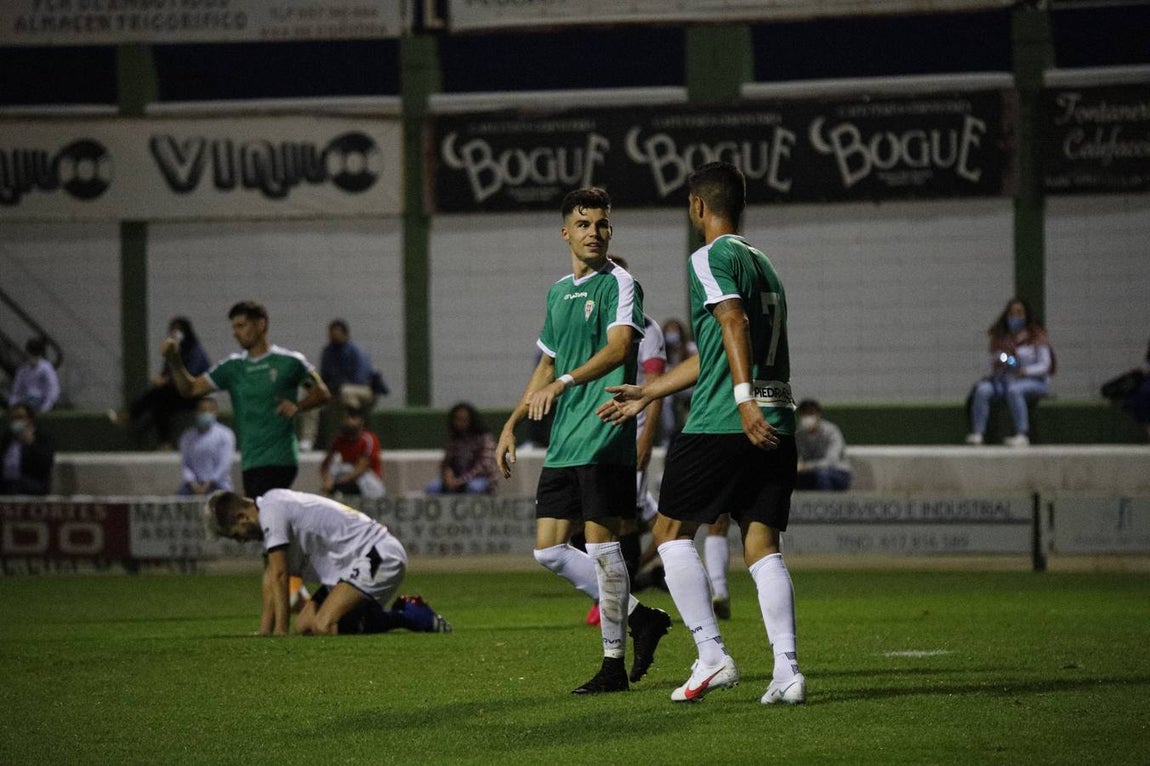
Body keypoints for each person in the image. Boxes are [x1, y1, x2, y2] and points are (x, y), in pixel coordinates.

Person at [600, 161, 805, 705]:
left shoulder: (709, 256)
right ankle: (787, 670)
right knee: (761, 545)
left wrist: (740, 402)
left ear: (698, 207)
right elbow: (718, 350)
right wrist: (651, 391)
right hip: (777, 418)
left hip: (723, 421)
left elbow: (732, 322)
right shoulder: (764, 263)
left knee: (668, 536)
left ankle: (711, 655)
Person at [495, 187, 672, 695]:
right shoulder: (556, 292)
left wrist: (564, 384)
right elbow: (546, 364)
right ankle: (643, 618)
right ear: (566, 232)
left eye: (602, 224)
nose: (594, 232)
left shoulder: (621, 284)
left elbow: (619, 349)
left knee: (601, 550)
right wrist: (510, 424)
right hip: (565, 440)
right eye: (584, 223)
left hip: (604, 431)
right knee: (549, 552)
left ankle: (613, 666)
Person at [205, 489, 451, 636]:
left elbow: (281, 576)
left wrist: (280, 632)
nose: (240, 541)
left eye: (236, 534)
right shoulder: (272, 506)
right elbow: (272, 575)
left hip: (378, 553)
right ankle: (372, 614)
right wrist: (265, 631)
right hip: (353, 563)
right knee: (305, 626)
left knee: (324, 625)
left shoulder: (271, 512)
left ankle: (408, 614)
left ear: (242, 516)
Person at [161, 300, 331, 498]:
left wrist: (298, 406)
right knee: (264, 521)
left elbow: (322, 393)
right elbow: (190, 389)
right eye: (234, 327)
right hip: (251, 461)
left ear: (261, 324)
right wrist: (174, 361)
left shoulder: (289, 362)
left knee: (262, 514)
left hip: (280, 458)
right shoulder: (233, 367)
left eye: (241, 326)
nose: (236, 332)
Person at [965, 298, 1054, 447]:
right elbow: (1002, 359)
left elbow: (1045, 365)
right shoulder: (1002, 338)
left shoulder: (1037, 337)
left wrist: (1026, 371)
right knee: (982, 390)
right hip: (1007, 379)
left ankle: (1022, 433)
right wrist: (1004, 360)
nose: (1015, 317)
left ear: (1026, 315)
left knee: (1015, 391)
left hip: (1035, 381)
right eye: (1012, 313)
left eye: (1019, 313)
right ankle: (978, 433)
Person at [119, 317, 211, 449]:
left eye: (179, 330)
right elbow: (166, 372)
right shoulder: (172, 351)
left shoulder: (194, 351)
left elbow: (191, 375)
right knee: (159, 403)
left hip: (193, 394)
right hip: (174, 393)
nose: (175, 333)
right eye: (173, 330)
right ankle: (164, 443)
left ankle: (130, 414)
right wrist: (161, 379)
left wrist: (167, 380)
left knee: (157, 395)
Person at [300, 319, 387, 450]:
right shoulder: (328, 351)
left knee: (346, 393)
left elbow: (360, 379)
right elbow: (325, 377)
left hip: (361, 390)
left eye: (336, 333)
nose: (332, 337)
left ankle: (352, 435)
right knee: (311, 394)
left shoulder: (356, 351)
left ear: (344, 334)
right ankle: (307, 440)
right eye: (331, 334)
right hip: (336, 390)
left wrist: (339, 384)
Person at [425, 402, 499, 495]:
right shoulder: (453, 440)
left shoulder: (484, 438)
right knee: (433, 488)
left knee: (474, 488)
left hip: (480, 479)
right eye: (457, 419)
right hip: (456, 479)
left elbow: (484, 466)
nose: (460, 423)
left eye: (464, 419)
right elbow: (447, 462)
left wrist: (461, 480)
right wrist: (448, 474)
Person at [176, 396, 236, 496]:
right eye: (201, 410)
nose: (204, 413)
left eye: (209, 410)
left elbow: (224, 463)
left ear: (215, 412)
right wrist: (193, 483)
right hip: (193, 486)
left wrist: (209, 483)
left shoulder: (225, 435)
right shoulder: (187, 436)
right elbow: (185, 464)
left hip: (219, 484)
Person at [320, 408, 386, 499]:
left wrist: (338, 483)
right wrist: (327, 481)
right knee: (337, 468)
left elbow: (362, 467)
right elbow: (326, 464)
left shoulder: (368, 439)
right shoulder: (339, 439)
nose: (349, 420)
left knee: (347, 469)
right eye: (347, 417)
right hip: (346, 478)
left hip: (368, 480)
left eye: (353, 417)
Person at [795, 399, 852, 491]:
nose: (807, 417)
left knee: (822, 475)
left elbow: (831, 461)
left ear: (818, 415)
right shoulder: (799, 434)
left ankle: (826, 503)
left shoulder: (831, 431)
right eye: (804, 414)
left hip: (837, 473)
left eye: (811, 413)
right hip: (810, 473)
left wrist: (807, 467)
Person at [1, 404, 55, 496]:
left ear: (30, 419)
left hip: (33, 482)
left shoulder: (42, 437)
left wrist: (31, 444)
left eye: (20, 417)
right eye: (14, 418)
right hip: (7, 480)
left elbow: (45, 464)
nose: (16, 421)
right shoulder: (8, 437)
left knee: (14, 486)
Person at [659, 318, 697, 446]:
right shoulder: (662, 351)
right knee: (666, 399)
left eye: (674, 331)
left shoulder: (690, 348)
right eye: (669, 331)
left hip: (688, 387)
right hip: (671, 388)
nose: (672, 334)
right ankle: (668, 433)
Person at [8, 337, 60, 413]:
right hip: (26, 399)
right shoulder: (23, 369)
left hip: (40, 400)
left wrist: (47, 405)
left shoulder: (46, 368)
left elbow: (53, 388)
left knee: (28, 406)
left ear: (39, 355)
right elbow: (17, 388)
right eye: (30, 355)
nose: (31, 359)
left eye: (34, 356)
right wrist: (13, 402)